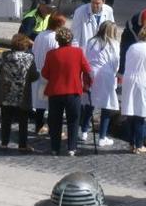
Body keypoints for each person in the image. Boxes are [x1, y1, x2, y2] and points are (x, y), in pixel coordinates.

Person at [41, 28, 92, 156]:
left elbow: (45, 73)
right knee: (73, 120)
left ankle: (55, 148)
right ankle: (72, 148)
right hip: (73, 91)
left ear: (58, 40)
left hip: (55, 92)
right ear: (70, 40)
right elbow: (87, 69)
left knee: (55, 121)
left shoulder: (51, 54)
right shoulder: (78, 52)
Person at [0, 34, 39, 152]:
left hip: (6, 93)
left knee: (6, 119)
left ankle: (4, 144)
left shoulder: (5, 55)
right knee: (23, 121)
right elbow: (34, 76)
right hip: (22, 95)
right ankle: (22, 145)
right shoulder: (29, 57)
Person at [121, 26, 146, 154]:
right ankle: (138, 145)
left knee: (130, 113)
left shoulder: (132, 47)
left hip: (128, 80)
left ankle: (131, 143)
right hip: (142, 81)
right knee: (140, 114)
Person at [82, 21, 120, 147]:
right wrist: (114, 74)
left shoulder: (91, 41)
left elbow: (86, 57)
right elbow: (116, 63)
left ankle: (84, 131)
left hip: (91, 72)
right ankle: (102, 137)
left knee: (89, 103)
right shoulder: (114, 44)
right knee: (106, 106)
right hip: (106, 74)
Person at [30, 12, 67, 136]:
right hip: (49, 74)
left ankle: (39, 126)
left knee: (40, 103)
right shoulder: (55, 39)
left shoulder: (40, 35)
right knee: (52, 105)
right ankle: (53, 129)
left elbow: (34, 51)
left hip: (38, 71)